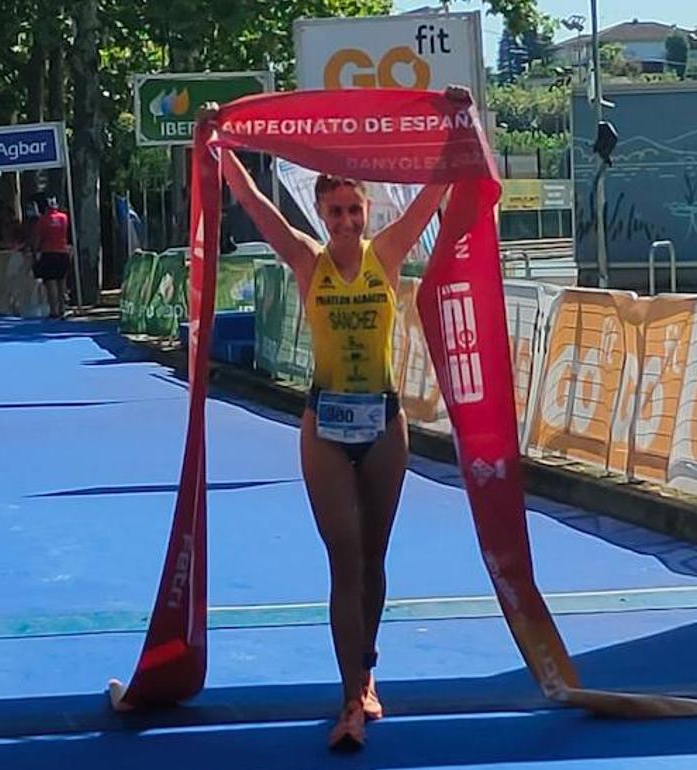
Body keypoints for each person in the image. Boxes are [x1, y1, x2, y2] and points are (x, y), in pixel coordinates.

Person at [197, 86, 466, 751]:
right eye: (334, 211)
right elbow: (256, 209)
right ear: (319, 213)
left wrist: (458, 123)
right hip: (324, 425)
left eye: (353, 210)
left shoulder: (389, 254)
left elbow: (438, 188)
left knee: (374, 560)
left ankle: (367, 672)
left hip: (383, 423)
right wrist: (220, 146)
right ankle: (351, 697)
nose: (345, 221)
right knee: (344, 559)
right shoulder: (305, 260)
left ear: (367, 212)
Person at [31, 195, 73, 319]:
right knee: (61, 281)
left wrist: (35, 253)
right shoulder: (64, 218)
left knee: (51, 282)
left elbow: (37, 239)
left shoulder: (42, 220)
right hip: (62, 251)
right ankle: (62, 309)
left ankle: (54, 310)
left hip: (49, 252)